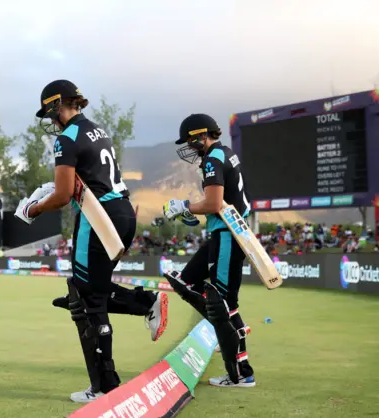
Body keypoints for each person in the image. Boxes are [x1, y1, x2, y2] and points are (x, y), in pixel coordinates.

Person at [14, 79, 169, 403]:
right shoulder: (97, 130)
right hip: (123, 211)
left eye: (50, 112)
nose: (51, 120)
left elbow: (64, 195)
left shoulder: (66, 138)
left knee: (89, 298)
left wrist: (33, 208)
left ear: (57, 105)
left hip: (97, 216)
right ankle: (144, 305)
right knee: (88, 290)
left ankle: (105, 387)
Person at [161, 113, 255, 388]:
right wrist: (194, 211)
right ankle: (229, 326)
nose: (190, 148)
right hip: (223, 231)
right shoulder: (224, 154)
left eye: (191, 142)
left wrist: (185, 206)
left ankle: (241, 372)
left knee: (224, 305)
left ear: (203, 136)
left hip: (228, 234)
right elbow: (221, 202)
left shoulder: (213, 158)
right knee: (185, 281)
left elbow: (215, 203)